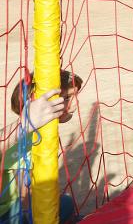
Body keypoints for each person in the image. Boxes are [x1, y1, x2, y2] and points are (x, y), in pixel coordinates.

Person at [1, 71, 83, 224]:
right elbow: (25, 193)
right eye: (67, 98)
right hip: (7, 213)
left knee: (65, 203)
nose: (75, 104)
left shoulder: (36, 132)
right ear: (36, 102)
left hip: (16, 206)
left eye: (76, 96)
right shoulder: (24, 140)